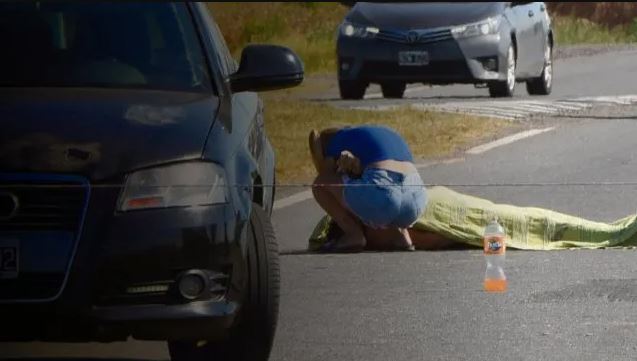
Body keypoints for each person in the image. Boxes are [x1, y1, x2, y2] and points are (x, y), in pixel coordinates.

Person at [309, 124, 428, 252]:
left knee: (319, 184)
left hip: (384, 197)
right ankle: (402, 237)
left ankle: (353, 234)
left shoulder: (335, 142)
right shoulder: (380, 133)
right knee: (390, 187)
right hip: (416, 201)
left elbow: (326, 175)